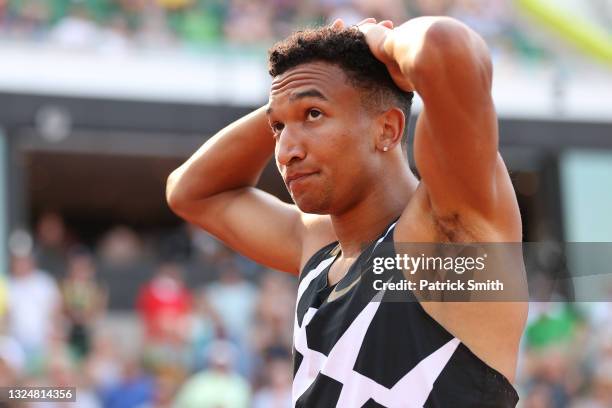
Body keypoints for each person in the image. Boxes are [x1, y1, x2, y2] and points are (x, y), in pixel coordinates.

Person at [167, 16, 527, 407]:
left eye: (314, 116)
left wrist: (380, 44)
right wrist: (289, 99)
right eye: (277, 128)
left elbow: (445, 46)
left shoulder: (449, 234)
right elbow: (189, 192)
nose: (287, 151)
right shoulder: (319, 246)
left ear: (387, 129)